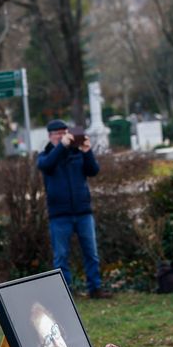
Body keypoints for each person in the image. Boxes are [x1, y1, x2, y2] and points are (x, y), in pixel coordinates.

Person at [37, 119, 111, 299]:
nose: (63, 136)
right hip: (59, 215)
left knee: (91, 254)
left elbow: (93, 171)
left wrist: (87, 151)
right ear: (50, 136)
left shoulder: (77, 153)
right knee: (61, 257)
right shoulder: (45, 155)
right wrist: (61, 147)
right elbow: (47, 166)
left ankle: (95, 288)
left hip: (83, 212)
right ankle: (65, 293)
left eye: (65, 132)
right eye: (58, 134)